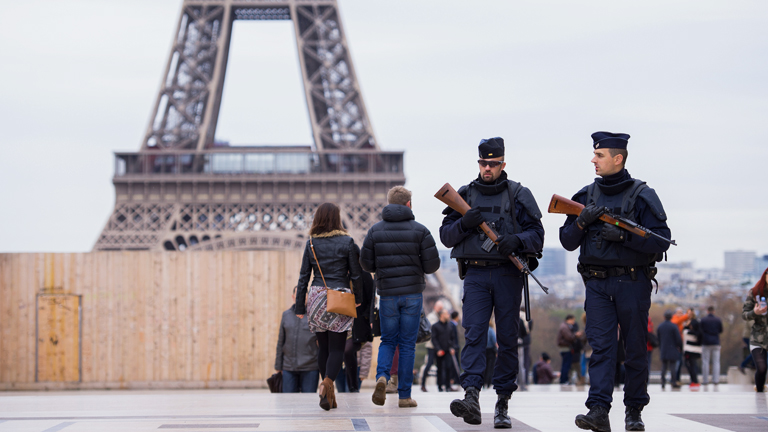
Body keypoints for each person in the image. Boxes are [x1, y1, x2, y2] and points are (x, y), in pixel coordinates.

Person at [558, 132, 671, 432]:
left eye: (599, 155)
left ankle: (633, 410)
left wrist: (624, 237)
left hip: (632, 283)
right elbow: (567, 241)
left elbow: (660, 242)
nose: (593, 160)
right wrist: (582, 221)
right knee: (601, 348)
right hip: (596, 284)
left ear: (618, 158)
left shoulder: (643, 195)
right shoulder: (585, 196)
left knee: (634, 348)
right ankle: (598, 409)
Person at [440, 137, 544, 428]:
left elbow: (537, 235)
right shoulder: (465, 195)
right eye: (483, 163)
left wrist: (516, 240)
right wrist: (464, 223)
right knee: (473, 333)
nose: (487, 168)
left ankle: (502, 402)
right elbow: (446, 236)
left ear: (503, 164)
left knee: (508, 340)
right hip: (475, 274)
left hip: (507, 275)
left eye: (493, 163)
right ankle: (471, 394)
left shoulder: (518, 195)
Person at [360, 185, 440, 408]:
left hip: (387, 295)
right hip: (413, 295)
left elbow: (365, 263)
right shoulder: (421, 230)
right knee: (407, 345)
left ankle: (382, 377)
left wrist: (382, 267)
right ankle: (404, 396)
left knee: (388, 340)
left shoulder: (375, 231)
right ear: (408, 205)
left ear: (388, 203)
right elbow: (433, 264)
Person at [295, 202, 364, 411]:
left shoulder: (312, 243)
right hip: (339, 297)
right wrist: (358, 297)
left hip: (316, 297)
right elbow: (356, 274)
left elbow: (303, 277)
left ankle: (328, 395)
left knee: (322, 347)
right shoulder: (348, 242)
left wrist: (300, 306)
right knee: (337, 348)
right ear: (337, 218)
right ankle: (326, 383)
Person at [275, 286, 320, 393]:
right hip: (288, 368)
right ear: (293, 297)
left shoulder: (315, 316)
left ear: (309, 297)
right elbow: (281, 341)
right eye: (298, 294)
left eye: (304, 294)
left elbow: (322, 343)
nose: (301, 296)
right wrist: (278, 365)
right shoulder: (286, 315)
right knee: (288, 403)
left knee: (308, 404)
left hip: (310, 368)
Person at [341, 272, 375, 393]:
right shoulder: (341, 274)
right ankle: (352, 387)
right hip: (342, 321)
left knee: (348, 350)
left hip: (359, 323)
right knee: (347, 352)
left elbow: (371, 299)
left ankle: (353, 386)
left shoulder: (364, 276)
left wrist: (368, 318)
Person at [743, 267, 768, 392]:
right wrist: (755, 312)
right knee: (762, 368)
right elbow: (745, 314)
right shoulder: (755, 292)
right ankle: (759, 390)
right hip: (758, 338)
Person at [432, 310, 458, 392]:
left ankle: (448, 386)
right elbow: (434, 339)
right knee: (439, 368)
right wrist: (438, 349)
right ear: (442, 315)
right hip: (439, 351)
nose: (448, 315)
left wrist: (453, 347)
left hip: (448, 350)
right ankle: (440, 386)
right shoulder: (435, 326)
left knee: (448, 367)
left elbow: (453, 338)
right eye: (446, 314)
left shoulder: (450, 326)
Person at [421, 300, 444, 392]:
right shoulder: (432, 317)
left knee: (440, 365)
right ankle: (423, 384)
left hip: (439, 345)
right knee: (429, 364)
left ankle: (440, 385)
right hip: (431, 345)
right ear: (435, 307)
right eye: (439, 308)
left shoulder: (439, 316)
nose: (440, 310)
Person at [657, 310, 682, 390]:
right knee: (672, 367)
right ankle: (673, 382)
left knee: (664, 367)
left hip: (664, 349)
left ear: (664, 317)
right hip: (672, 349)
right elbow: (678, 339)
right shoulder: (674, 326)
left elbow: (658, 339)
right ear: (671, 317)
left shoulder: (660, 326)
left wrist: (661, 347)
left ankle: (663, 382)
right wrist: (680, 347)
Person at [700, 306, 723, 385]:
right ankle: (715, 380)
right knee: (716, 362)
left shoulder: (703, 320)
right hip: (716, 342)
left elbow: (700, 330)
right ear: (714, 311)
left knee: (705, 362)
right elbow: (720, 330)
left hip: (706, 342)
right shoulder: (718, 320)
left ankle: (705, 380)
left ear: (707, 311)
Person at [557, 315, 583, 384]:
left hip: (565, 347)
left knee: (566, 364)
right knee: (566, 365)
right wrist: (576, 335)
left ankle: (564, 379)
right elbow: (569, 337)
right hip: (566, 348)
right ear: (569, 319)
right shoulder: (565, 327)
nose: (573, 322)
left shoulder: (564, 326)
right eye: (573, 320)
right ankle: (564, 380)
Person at [682, 310, 702, 390]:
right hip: (693, 348)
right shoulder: (695, 322)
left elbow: (696, 333)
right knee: (692, 364)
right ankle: (694, 380)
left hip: (690, 348)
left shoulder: (693, 323)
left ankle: (694, 380)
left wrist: (687, 331)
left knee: (690, 364)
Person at [518, 307, 533, 386]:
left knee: (516, 361)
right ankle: (524, 380)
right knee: (524, 361)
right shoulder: (528, 319)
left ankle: (516, 379)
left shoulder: (517, 317)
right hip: (525, 341)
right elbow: (528, 331)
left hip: (516, 341)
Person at [485, 319, 498, 388]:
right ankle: (489, 381)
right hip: (491, 350)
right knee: (490, 367)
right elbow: (494, 340)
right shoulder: (491, 330)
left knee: (485, 366)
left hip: (484, 350)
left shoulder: (484, 330)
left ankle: (484, 381)